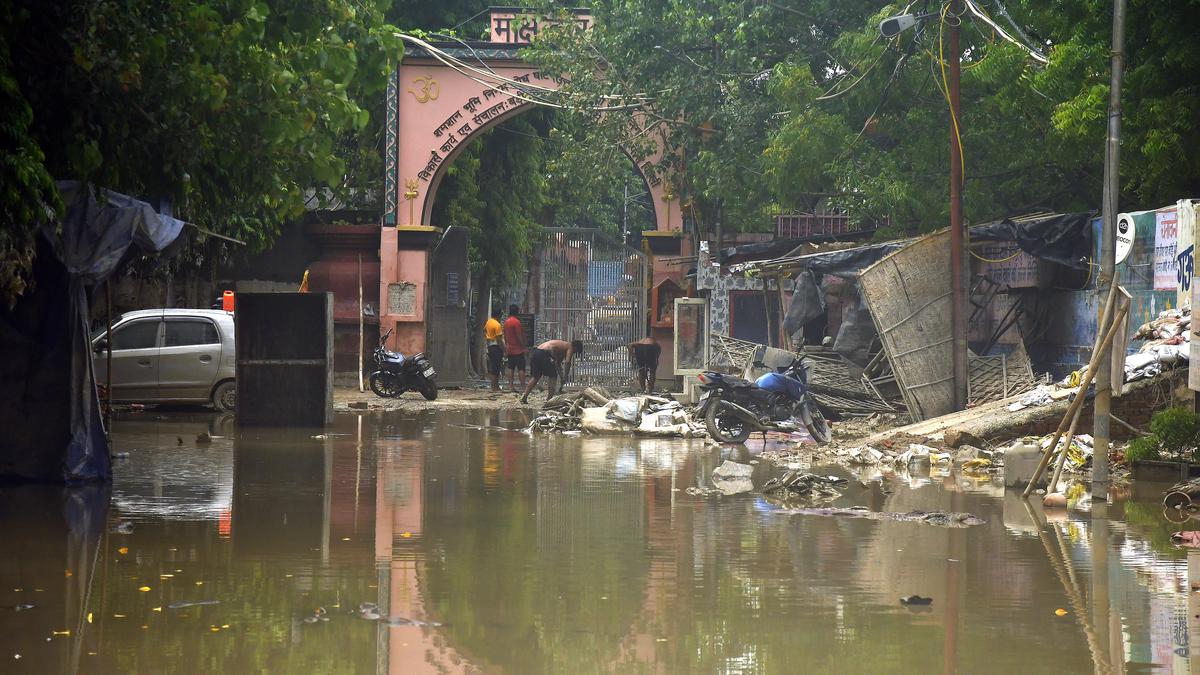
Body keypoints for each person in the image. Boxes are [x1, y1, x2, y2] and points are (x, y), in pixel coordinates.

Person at [520, 339, 583, 404]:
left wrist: (562, 378)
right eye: (575, 351)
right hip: (545, 353)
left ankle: (524, 397)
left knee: (536, 377)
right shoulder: (570, 346)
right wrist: (566, 375)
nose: (574, 353)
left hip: (536, 352)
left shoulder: (561, 347)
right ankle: (549, 400)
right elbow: (567, 362)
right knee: (553, 376)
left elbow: (557, 364)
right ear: (575, 347)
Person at [503, 304, 527, 392]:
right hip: (518, 350)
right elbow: (519, 336)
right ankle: (523, 387)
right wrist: (524, 347)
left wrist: (507, 346)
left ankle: (510, 386)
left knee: (511, 367)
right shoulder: (516, 322)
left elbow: (505, 336)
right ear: (517, 311)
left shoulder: (506, 322)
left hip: (510, 349)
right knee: (521, 368)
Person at [484, 307, 505, 391]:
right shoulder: (497, 325)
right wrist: (504, 349)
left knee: (494, 366)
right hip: (496, 347)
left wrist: (488, 338)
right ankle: (494, 386)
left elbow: (484, 330)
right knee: (496, 367)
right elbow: (499, 339)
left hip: (490, 346)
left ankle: (495, 386)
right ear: (499, 315)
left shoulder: (489, 321)